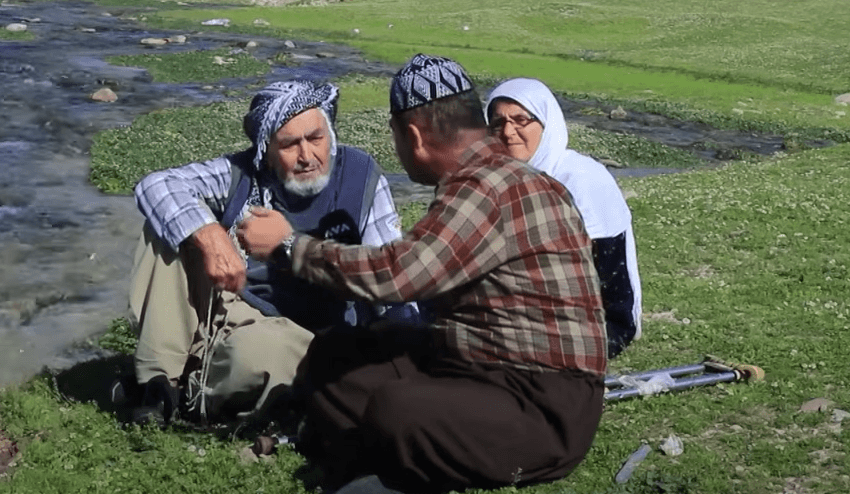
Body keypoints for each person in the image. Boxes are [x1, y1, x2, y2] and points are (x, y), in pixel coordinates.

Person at [237, 55, 607, 493]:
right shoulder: (501, 178)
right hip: (479, 367)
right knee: (334, 358)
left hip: (543, 406)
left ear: (412, 136)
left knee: (397, 407)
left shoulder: (484, 187)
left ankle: (384, 462)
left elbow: (399, 275)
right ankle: (383, 458)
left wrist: (288, 245)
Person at [127, 80, 403, 425]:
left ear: (330, 135)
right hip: (231, 309)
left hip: (306, 332)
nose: (307, 157)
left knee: (268, 355)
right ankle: (157, 384)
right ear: (267, 151)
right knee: (167, 224)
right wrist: (210, 234)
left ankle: (192, 390)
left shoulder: (361, 177)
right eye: (289, 144)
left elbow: (388, 276)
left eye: (316, 139)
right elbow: (156, 185)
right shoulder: (243, 173)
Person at [485, 77, 642, 359]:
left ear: (546, 123)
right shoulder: (495, 180)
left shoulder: (583, 180)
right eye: (498, 122)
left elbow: (612, 280)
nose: (508, 132)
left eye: (521, 120)